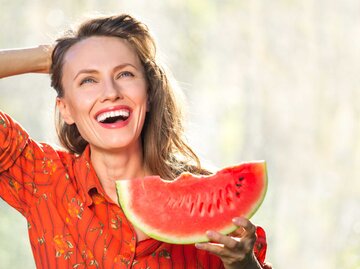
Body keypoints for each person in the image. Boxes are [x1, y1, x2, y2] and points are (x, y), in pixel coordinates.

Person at [0, 14, 272, 269]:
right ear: (66, 109)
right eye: (87, 80)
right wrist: (51, 55)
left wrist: (244, 265)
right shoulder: (42, 178)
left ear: (149, 94)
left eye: (125, 74)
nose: (110, 93)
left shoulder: (212, 209)